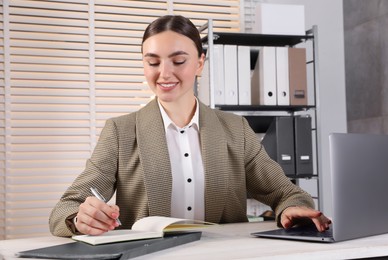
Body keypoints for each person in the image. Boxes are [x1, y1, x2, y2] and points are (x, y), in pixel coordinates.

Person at [49, 15, 331, 237]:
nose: (164, 73)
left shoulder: (236, 129)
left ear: (199, 63)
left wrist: (292, 209)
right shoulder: (120, 132)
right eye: (153, 62)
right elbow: (66, 207)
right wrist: (79, 218)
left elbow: (286, 192)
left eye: (178, 60)